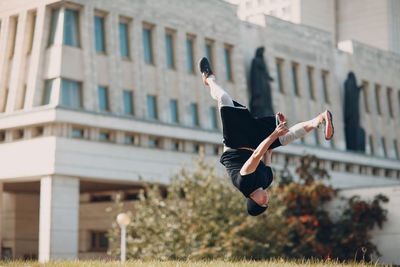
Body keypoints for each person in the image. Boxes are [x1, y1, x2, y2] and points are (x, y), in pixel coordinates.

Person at [198, 57, 334, 216]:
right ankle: (319, 120)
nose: (266, 199)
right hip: (254, 143)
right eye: (266, 203)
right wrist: (274, 129)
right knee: (285, 139)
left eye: (262, 202)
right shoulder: (267, 181)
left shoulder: (244, 183)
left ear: (252, 199)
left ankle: (209, 79)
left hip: (235, 142)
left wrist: (273, 133)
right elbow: (267, 154)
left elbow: (257, 155)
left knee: (224, 99)